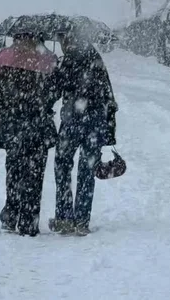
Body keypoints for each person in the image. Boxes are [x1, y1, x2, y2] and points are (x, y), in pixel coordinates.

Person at [0, 33, 58, 236]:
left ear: (14, 36)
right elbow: (55, 92)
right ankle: (29, 221)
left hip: (13, 123)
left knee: (14, 172)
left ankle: (10, 216)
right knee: (35, 175)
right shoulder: (49, 60)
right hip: (39, 125)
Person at [48, 34, 117, 236]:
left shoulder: (67, 60)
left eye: (63, 40)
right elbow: (108, 94)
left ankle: (64, 217)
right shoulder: (95, 58)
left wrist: (54, 72)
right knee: (87, 169)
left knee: (62, 165)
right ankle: (82, 221)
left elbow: (54, 90)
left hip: (72, 121)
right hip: (95, 122)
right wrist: (108, 127)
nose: (62, 44)